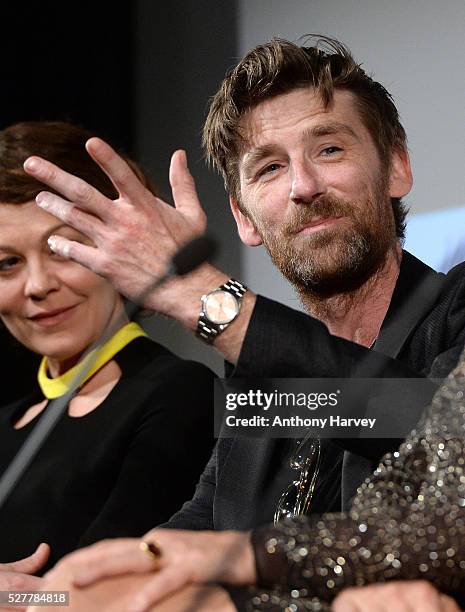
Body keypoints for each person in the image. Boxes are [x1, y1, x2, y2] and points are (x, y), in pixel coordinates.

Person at [21, 37, 465, 609]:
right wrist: (48, 600)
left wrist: (205, 297)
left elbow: (437, 431)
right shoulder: (258, 379)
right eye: (270, 168)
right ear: (243, 216)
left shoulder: (455, 310)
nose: (303, 187)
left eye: (329, 149)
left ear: (396, 166)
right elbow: (199, 526)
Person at [0, 122, 215, 584]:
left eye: (62, 247)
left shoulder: (179, 394)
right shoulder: (6, 424)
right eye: (7, 263)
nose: (38, 286)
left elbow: (93, 597)